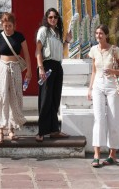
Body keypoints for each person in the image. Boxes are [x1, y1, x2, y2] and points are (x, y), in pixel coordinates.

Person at [87, 23, 119, 167]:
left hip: (112, 86)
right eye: (97, 33)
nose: (98, 36)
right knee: (98, 119)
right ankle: (96, 154)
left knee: (114, 119)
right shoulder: (93, 50)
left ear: (106, 35)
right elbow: (93, 71)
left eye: (101, 34)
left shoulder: (115, 50)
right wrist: (90, 89)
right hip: (98, 85)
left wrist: (112, 72)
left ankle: (112, 155)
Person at [0, 12, 31, 144]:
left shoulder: (19, 37)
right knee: (2, 97)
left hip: (16, 68)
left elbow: (27, 54)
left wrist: (29, 71)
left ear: (14, 25)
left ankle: (12, 129)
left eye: (10, 26)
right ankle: (0, 130)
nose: (7, 28)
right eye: (5, 26)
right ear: (2, 25)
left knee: (15, 97)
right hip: (2, 67)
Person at [34, 7, 72, 142]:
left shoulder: (57, 33)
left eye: (55, 17)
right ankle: (41, 132)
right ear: (46, 18)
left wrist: (67, 41)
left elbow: (61, 52)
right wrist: (41, 68)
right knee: (45, 99)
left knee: (55, 99)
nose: (53, 19)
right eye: (50, 17)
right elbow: (38, 51)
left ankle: (54, 130)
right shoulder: (43, 31)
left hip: (57, 66)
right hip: (47, 65)